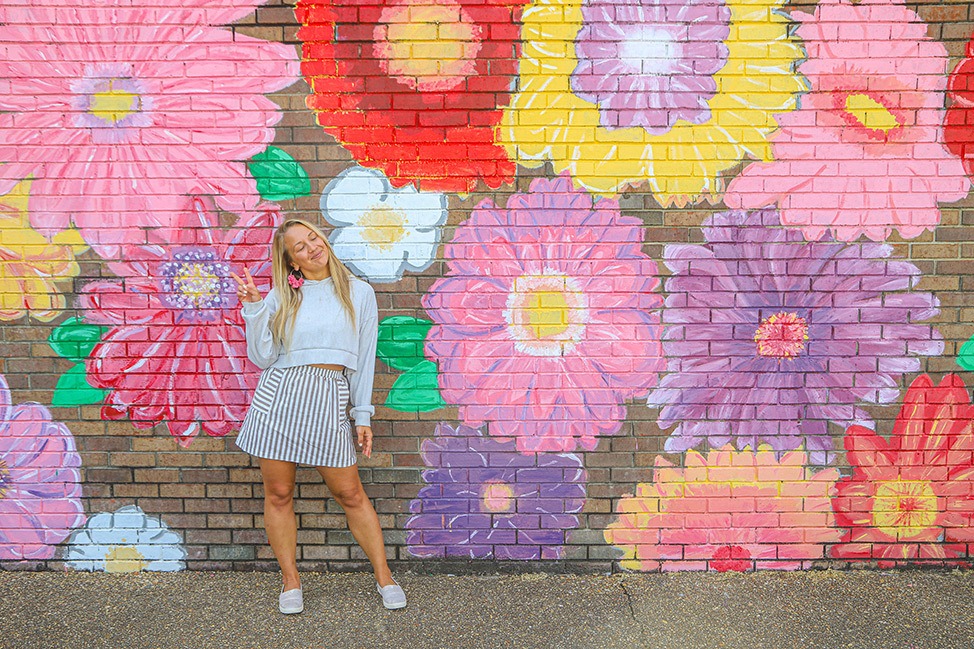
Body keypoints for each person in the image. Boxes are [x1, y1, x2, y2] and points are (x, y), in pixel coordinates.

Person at [230, 218, 406, 614]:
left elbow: (362, 360)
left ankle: (385, 577)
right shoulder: (282, 296)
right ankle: (291, 582)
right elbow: (262, 357)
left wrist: (363, 414)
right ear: (292, 262)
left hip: (329, 397)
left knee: (350, 493)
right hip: (280, 398)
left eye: (313, 238)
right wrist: (255, 308)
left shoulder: (358, 292)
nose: (311, 247)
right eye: (299, 247)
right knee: (278, 494)